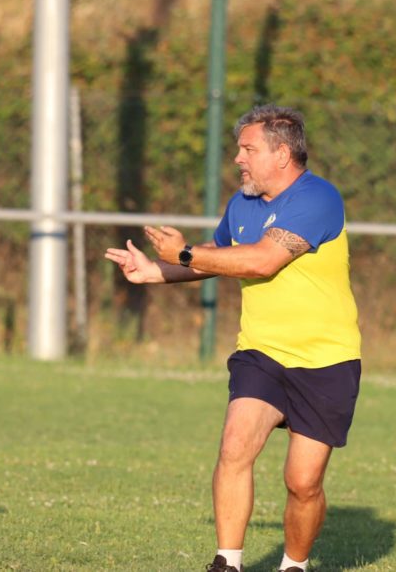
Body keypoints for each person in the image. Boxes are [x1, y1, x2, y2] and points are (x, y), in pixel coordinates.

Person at [106, 104, 361, 572]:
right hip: (261, 353)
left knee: (302, 482)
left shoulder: (318, 198)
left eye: (248, 149)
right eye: (238, 149)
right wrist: (155, 271)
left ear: (282, 154)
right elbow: (217, 258)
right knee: (234, 447)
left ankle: (294, 566)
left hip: (326, 360)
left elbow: (262, 260)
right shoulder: (241, 204)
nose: (238, 159)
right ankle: (227, 562)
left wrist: (182, 252)